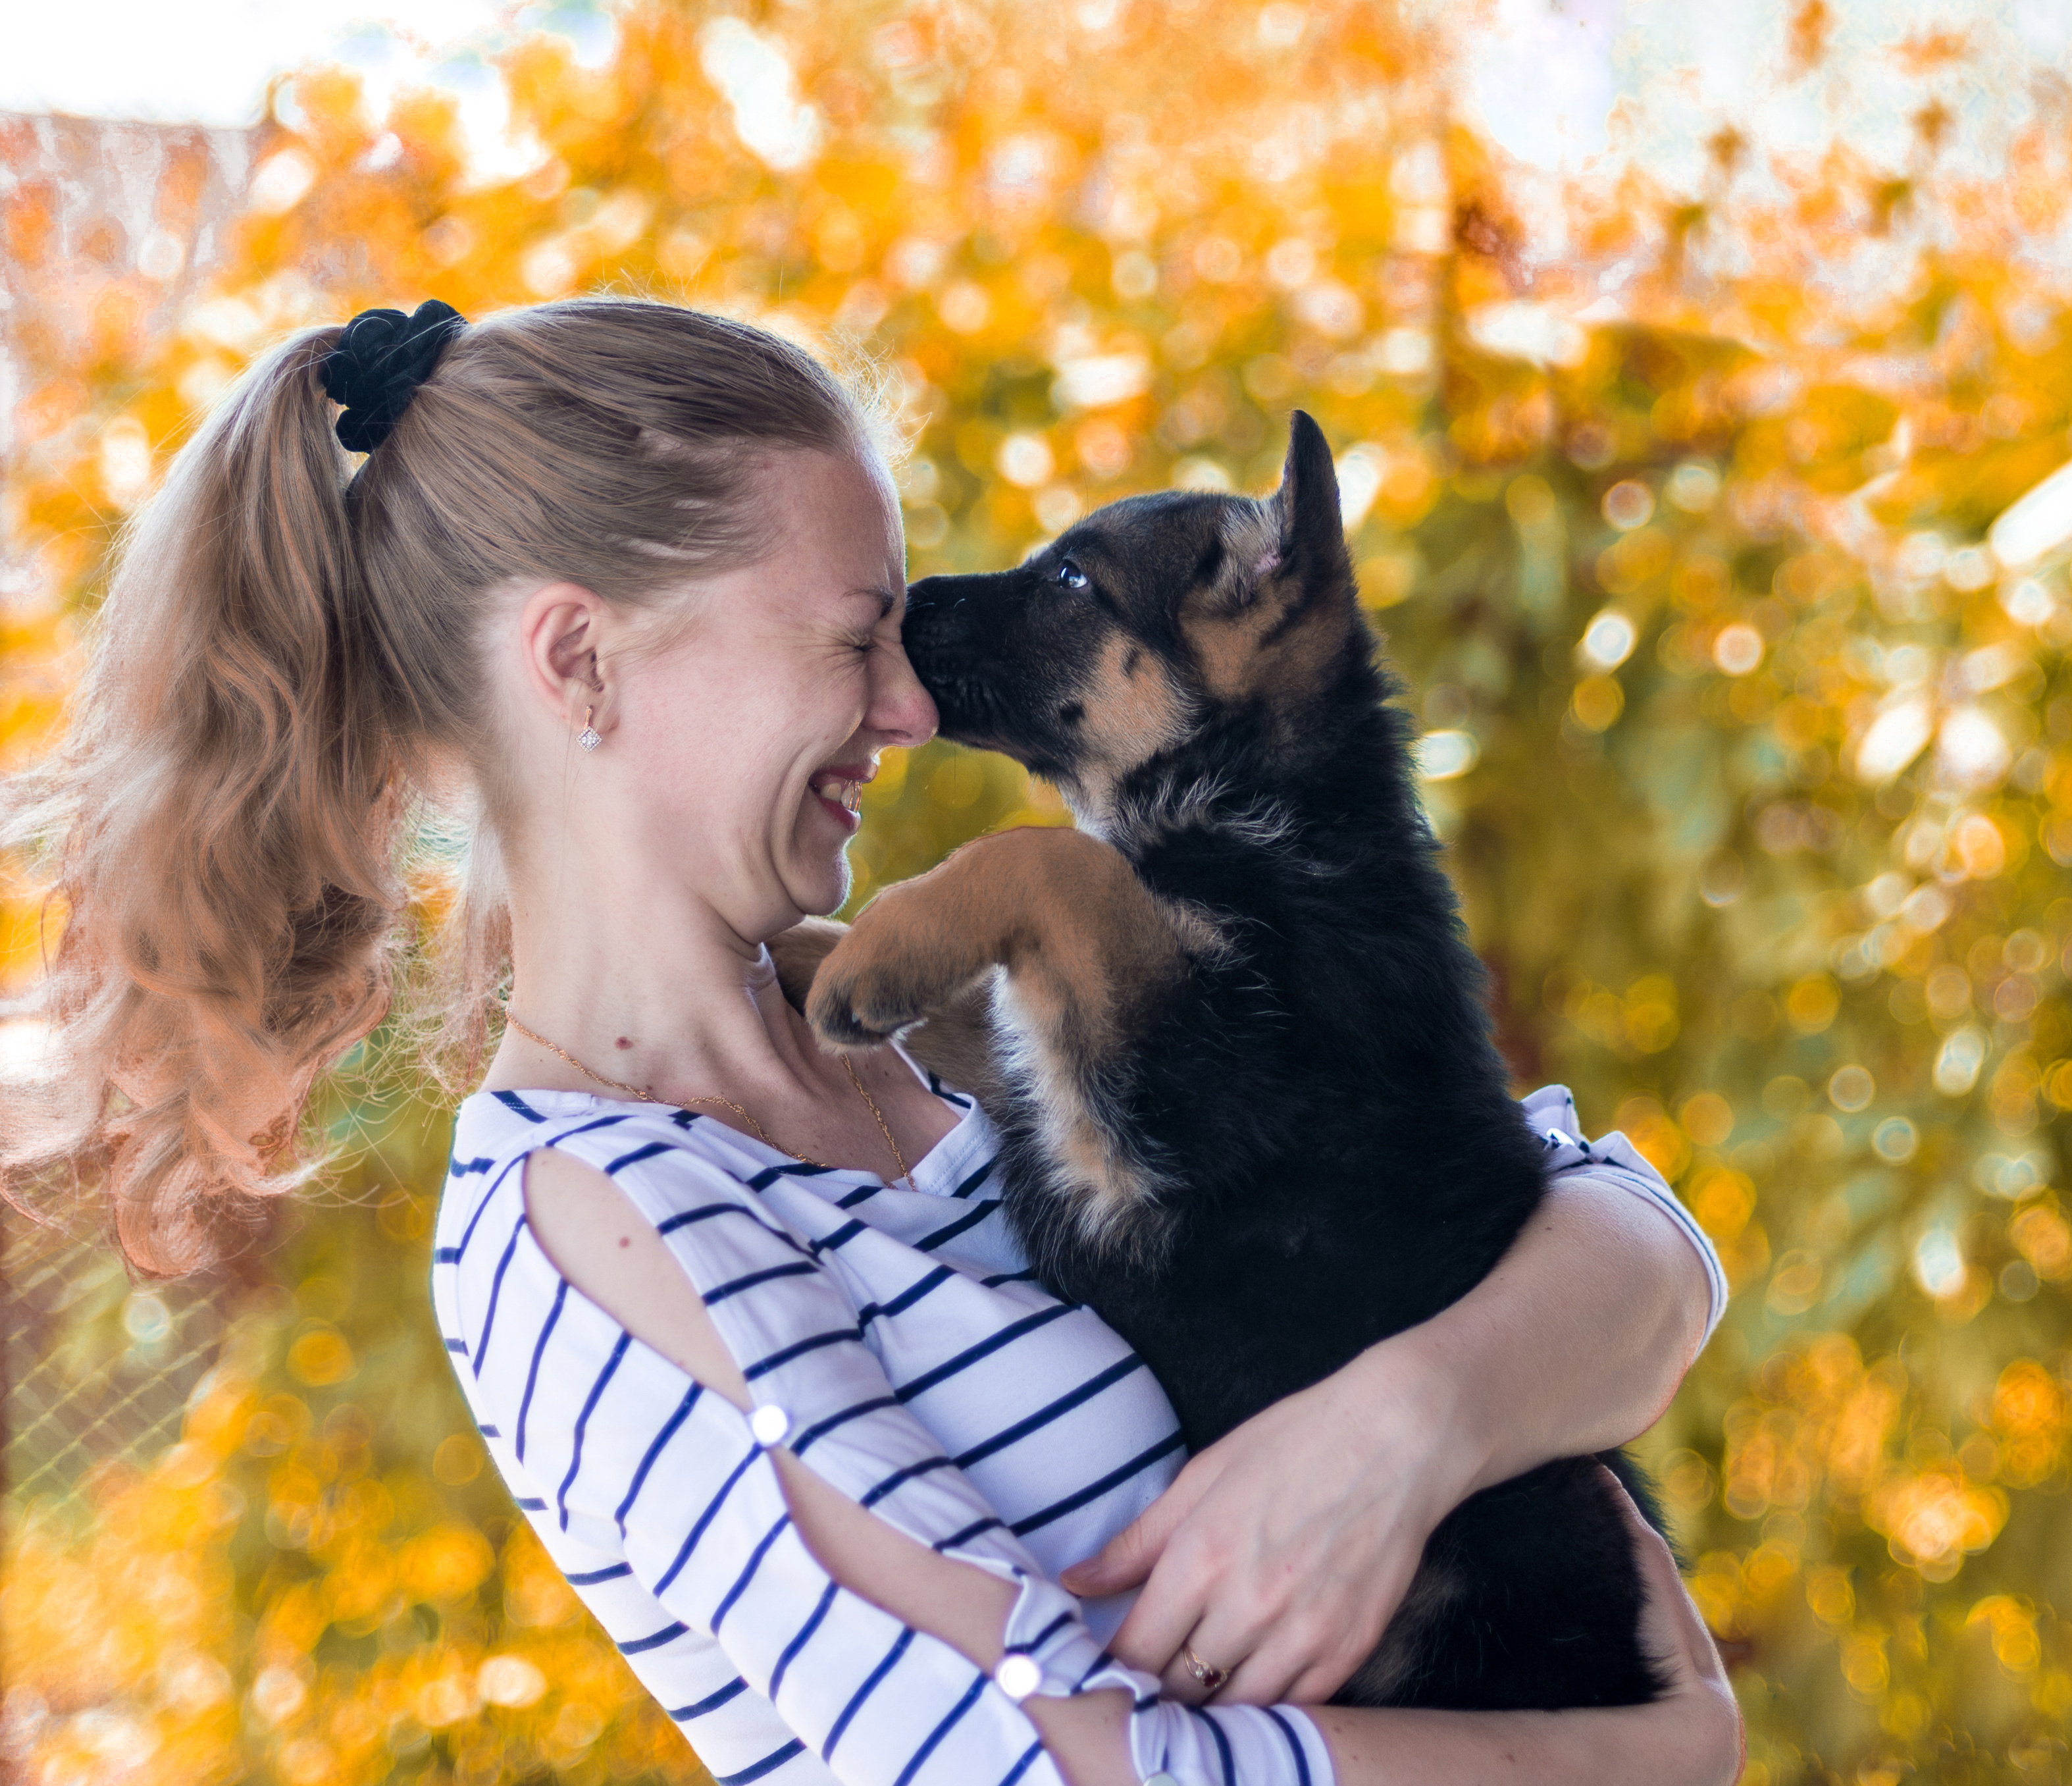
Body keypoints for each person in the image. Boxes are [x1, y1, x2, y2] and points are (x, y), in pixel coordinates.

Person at [4, 294, 1743, 1786]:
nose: (915, 707)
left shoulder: (935, 1024)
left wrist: (1406, 1420)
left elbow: (1616, 1236)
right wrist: (1633, 1754)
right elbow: (1036, 1763)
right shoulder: (583, 1235)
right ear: (582, 662)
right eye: (855, 638)